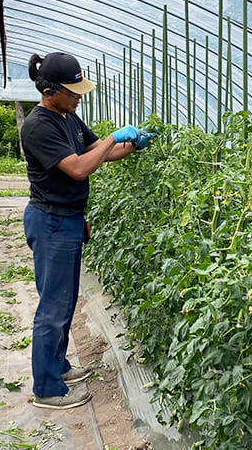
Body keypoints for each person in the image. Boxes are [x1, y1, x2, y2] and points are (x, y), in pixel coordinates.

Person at [21, 51, 154, 410]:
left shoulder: (68, 117)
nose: (79, 95)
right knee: (53, 306)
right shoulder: (38, 126)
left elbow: (99, 153)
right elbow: (79, 169)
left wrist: (133, 145)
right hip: (50, 221)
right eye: (73, 90)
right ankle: (47, 389)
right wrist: (114, 136)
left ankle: (59, 367)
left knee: (64, 301)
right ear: (50, 91)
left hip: (67, 220)